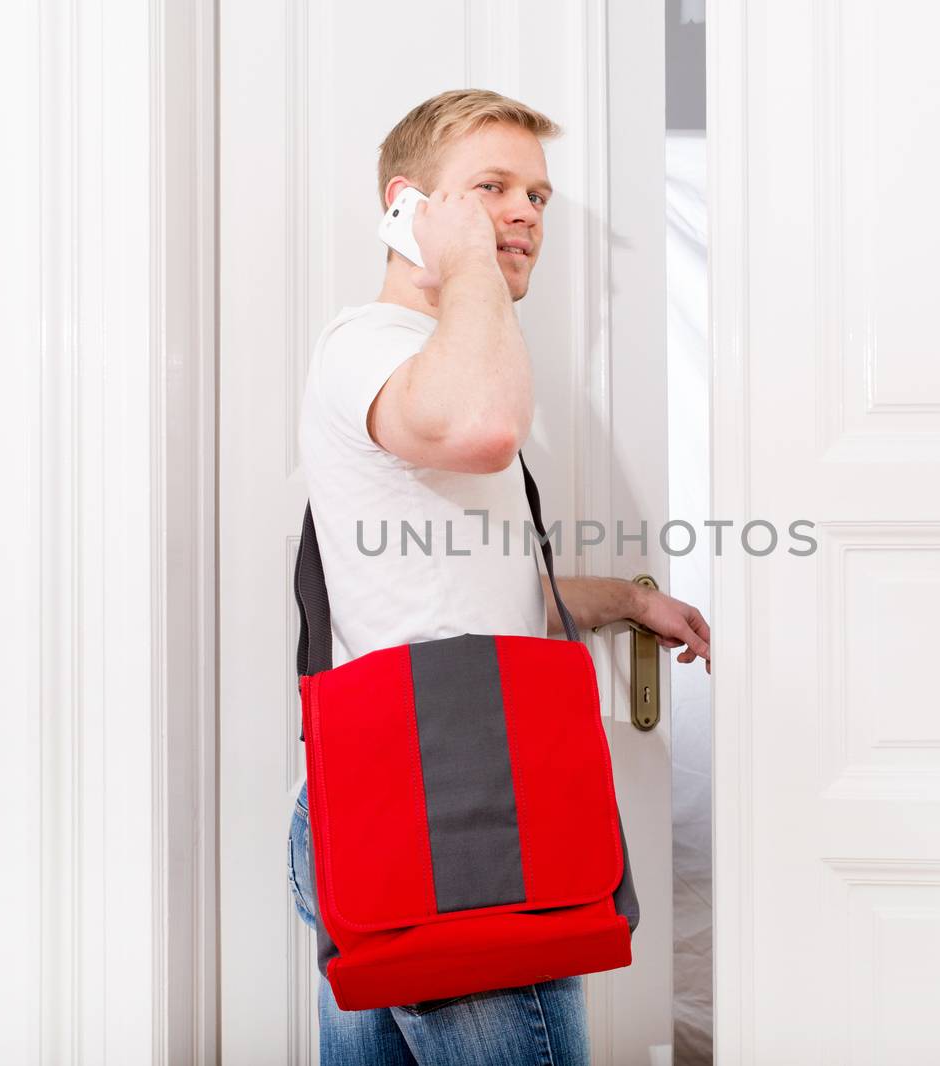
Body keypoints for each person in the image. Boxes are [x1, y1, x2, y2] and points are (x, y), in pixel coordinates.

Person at [290, 88, 712, 1065]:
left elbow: (453, 591)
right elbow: (481, 428)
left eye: (537, 196)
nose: (524, 213)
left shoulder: (423, 362)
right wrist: (468, 259)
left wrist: (623, 601)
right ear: (406, 207)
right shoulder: (374, 347)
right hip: (447, 806)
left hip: (402, 796)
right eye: (491, 188)